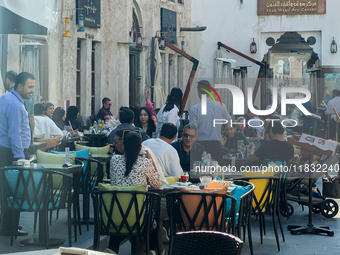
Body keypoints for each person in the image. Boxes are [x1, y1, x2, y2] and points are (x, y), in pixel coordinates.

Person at [108, 130, 163, 254]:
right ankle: (152, 249)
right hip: (138, 218)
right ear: (140, 147)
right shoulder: (145, 163)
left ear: (125, 145)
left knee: (124, 214)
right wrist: (151, 161)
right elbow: (157, 184)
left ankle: (112, 248)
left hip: (113, 214)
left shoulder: (114, 160)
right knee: (152, 213)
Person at [0, 71, 35, 237]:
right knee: (14, 192)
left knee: (7, 192)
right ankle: (10, 228)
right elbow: (15, 134)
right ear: (19, 86)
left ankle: (8, 226)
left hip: (5, 151)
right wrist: (20, 158)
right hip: (11, 153)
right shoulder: (14, 104)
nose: (32, 90)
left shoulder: (6, 98)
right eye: (30, 87)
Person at [189, 80, 231, 163]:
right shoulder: (221, 106)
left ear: (198, 92)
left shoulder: (195, 109)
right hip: (216, 145)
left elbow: (192, 130)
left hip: (200, 145)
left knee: (200, 171)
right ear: (211, 91)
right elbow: (229, 123)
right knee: (217, 172)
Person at [4, 70, 35, 143]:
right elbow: (31, 119)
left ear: (7, 80)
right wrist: (31, 137)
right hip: (25, 136)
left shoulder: (8, 97)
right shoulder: (30, 97)